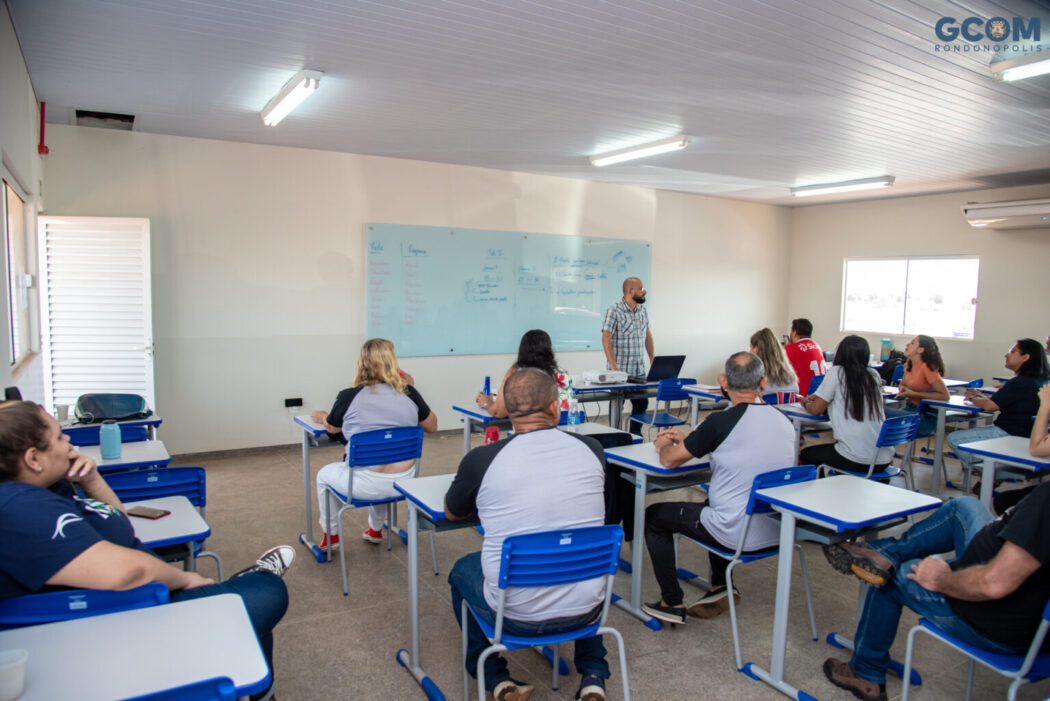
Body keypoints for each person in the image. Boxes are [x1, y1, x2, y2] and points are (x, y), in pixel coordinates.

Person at [0, 401, 293, 700]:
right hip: (130, 616)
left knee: (250, 614)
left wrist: (91, 480)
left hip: (144, 596)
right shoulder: (16, 508)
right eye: (60, 437)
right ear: (34, 458)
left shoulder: (49, 488)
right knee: (267, 591)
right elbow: (127, 572)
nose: (70, 442)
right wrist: (184, 579)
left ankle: (259, 687)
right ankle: (255, 584)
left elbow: (118, 524)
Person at [445, 368, 611, 701]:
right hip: (589, 607)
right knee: (576, 558)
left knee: (461, 570)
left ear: (505, 409)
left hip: (515, 614)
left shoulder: (482, 460)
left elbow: (453, 511)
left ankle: (495, 677)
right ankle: (593, 677)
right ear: (555, 408)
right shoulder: (592, 450)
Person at [821, 487, 1050, 701]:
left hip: (990, 614)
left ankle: (865, 671)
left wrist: (942, 580)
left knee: (896, 575)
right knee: (964, 507)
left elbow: (994, 584)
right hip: (1021, 604)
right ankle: (885, 552)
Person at [640, 351, 795, 624]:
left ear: (723, 382)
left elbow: (670, 461)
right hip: (778, 528)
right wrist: (692, 440)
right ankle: (719, 586)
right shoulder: (785, 421)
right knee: (716, 503)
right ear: (763, 384)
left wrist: (664, 444)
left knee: (654, 516)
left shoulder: (720, 421)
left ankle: (671, 602)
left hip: (736, 532)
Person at [310, 338, 437, 550]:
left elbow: (332, 428)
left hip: (361, 486)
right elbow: (432, 426)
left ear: (361, 363)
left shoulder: (349, 395)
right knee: (386, 461)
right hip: (403, 482)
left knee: (323, 475)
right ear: (392, 364)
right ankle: (375, 529)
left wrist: (324, 415)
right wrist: (411, 390)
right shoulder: (409, 394)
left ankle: (331, 535)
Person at [948, 338, 1049, 473]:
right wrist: (980, 397)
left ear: (1025, 357)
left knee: (953, 439)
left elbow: (990, 406)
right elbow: (999, 401)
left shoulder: (1021, 382)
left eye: (1013, 351)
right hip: (1025, 433)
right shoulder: (1041, 380)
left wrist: (972, 397)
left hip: (1009, 432)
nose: (1006, 355)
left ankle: (990, 473)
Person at [800, 335, 891, 475]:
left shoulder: (837, 372)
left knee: (807, 454)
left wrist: (804, 401)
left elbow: (815, 410)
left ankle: (820, 492)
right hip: (883, 459)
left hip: (855, 458)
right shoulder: (873, 375)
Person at [475, 329, 573, 420]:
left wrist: (486, 402)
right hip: (564, 431)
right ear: (549, 350)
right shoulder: (562, 374)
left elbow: (499, 412)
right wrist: (495, 398)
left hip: (531, 433)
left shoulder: (517, 372)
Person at [602, 277, 654, 435]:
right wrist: (614, 367)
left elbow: (648, 336)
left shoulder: (642, 310)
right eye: (640, 288)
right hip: (620, 372)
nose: (644, 291)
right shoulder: (614, 311)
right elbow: (606, 339)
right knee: (617, 406)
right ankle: (616, 436)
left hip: (639, 371)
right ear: (631, 291)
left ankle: (635, 435)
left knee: (641, 404)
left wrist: (653, 359)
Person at [883, 334, 949, 437]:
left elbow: (945, 395)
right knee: (877, 413)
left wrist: (915, 394)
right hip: (909, 409)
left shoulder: (927, 368)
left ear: (921, 350)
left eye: (912, 343)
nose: (907, 344)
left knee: (879, 410)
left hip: (924, 416)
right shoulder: (910, 364)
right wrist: (903, 390)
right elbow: (903, 385)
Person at [750, 327, 799, 397]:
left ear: (757, 350)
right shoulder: (791, 379)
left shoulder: (755, 379)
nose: (750, 351)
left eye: (751, 347)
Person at [783, 318, 827, 396]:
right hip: (821, 396)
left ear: (794, 333)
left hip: (803, 397)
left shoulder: (790, 349)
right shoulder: (817, 346)